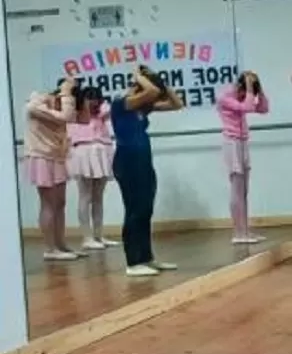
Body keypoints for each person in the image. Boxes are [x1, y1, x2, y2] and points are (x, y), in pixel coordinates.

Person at [110, 66, 183, 277]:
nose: (154, 97)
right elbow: (150, 92)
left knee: (145, 209)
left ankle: (146, 257)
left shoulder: (142, 107)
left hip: (143, 161)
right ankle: (133, 262)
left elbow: (176, 104)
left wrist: (162, 83)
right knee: (134, 210)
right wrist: (140, 76)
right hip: (127, 161)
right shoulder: (122, 102)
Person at [25, 78, 78, 261]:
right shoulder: (37, 103)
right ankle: (50, 248)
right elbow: (65, 117)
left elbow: (78, 118)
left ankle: (60, 243)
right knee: (48, 203)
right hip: (41, 156)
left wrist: (75, 98)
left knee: (60, 202)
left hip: (57, 156)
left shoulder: (60, 105)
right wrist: (66, 92)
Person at [216, 70, 270, 245]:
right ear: (239, 86)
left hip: (243, 140)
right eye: (245, 92)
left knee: (244, 189)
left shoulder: (245, 95)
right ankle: (238, 232)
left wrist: (259, 91)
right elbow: (246, 107)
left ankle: (245, 230)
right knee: (236, 188)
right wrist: (247, 87)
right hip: (231, 141)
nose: (246, 96)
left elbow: (263, 108)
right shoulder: (225, 96)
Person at [68, 86, 118, 251]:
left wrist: (101, 104)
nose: (93, 101)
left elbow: (109, 109)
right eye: (89, 98)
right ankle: (86, 237)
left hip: (102, 152)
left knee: (98, 197)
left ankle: (98, 235)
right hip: (83, 152)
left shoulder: (101, 113)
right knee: (85, 196)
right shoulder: (75, 114)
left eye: (96, 98)